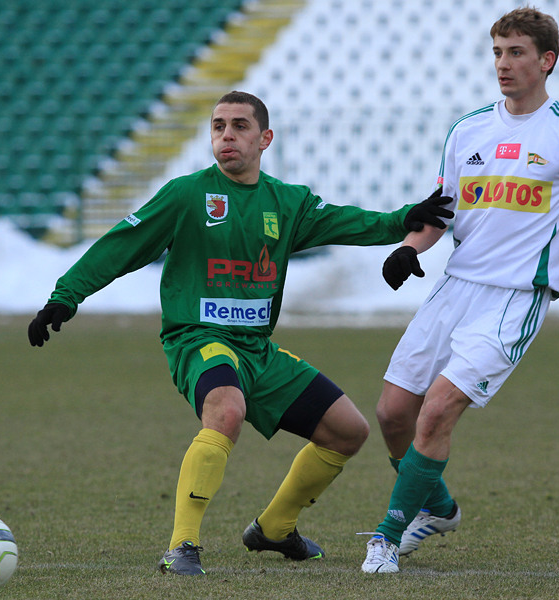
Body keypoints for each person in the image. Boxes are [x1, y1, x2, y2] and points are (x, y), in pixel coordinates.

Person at [27, 91, 454, 575]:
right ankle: (181, 546)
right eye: (217, 126)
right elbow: (120, 247)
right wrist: (66, 296)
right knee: (226, 410)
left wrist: (405, 219)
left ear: (264, 138)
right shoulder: (187, 195)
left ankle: (274, 528)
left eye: (239, 126)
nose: (226, 135)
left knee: (348, 432)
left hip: (258, 352)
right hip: (198, 340)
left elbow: (347, 221)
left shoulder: (287, 202)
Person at [360, 8, 559, 573]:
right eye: (497, 52)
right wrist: (409, 248)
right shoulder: (467, 129)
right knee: (393, 412)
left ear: (547, 61)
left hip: (515, 298)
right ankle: (436, 506)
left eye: (516, 53)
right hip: (455, 286)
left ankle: (388, 537)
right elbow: (439, 212)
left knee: (437, 411)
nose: (503, 64)